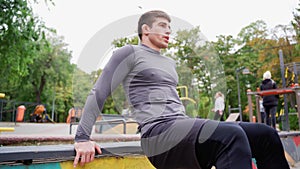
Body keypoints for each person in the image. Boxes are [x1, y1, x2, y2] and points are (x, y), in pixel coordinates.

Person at [73, 10, 290, 169]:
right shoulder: (128, 53)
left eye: (170, 27)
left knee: (266, 134)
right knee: (230, 135)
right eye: (162, 25)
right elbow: (99, 92)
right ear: (145, 29)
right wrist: (82, 137)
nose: (168, 31)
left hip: (179, 126)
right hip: (157, 133)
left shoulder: (169, 63)